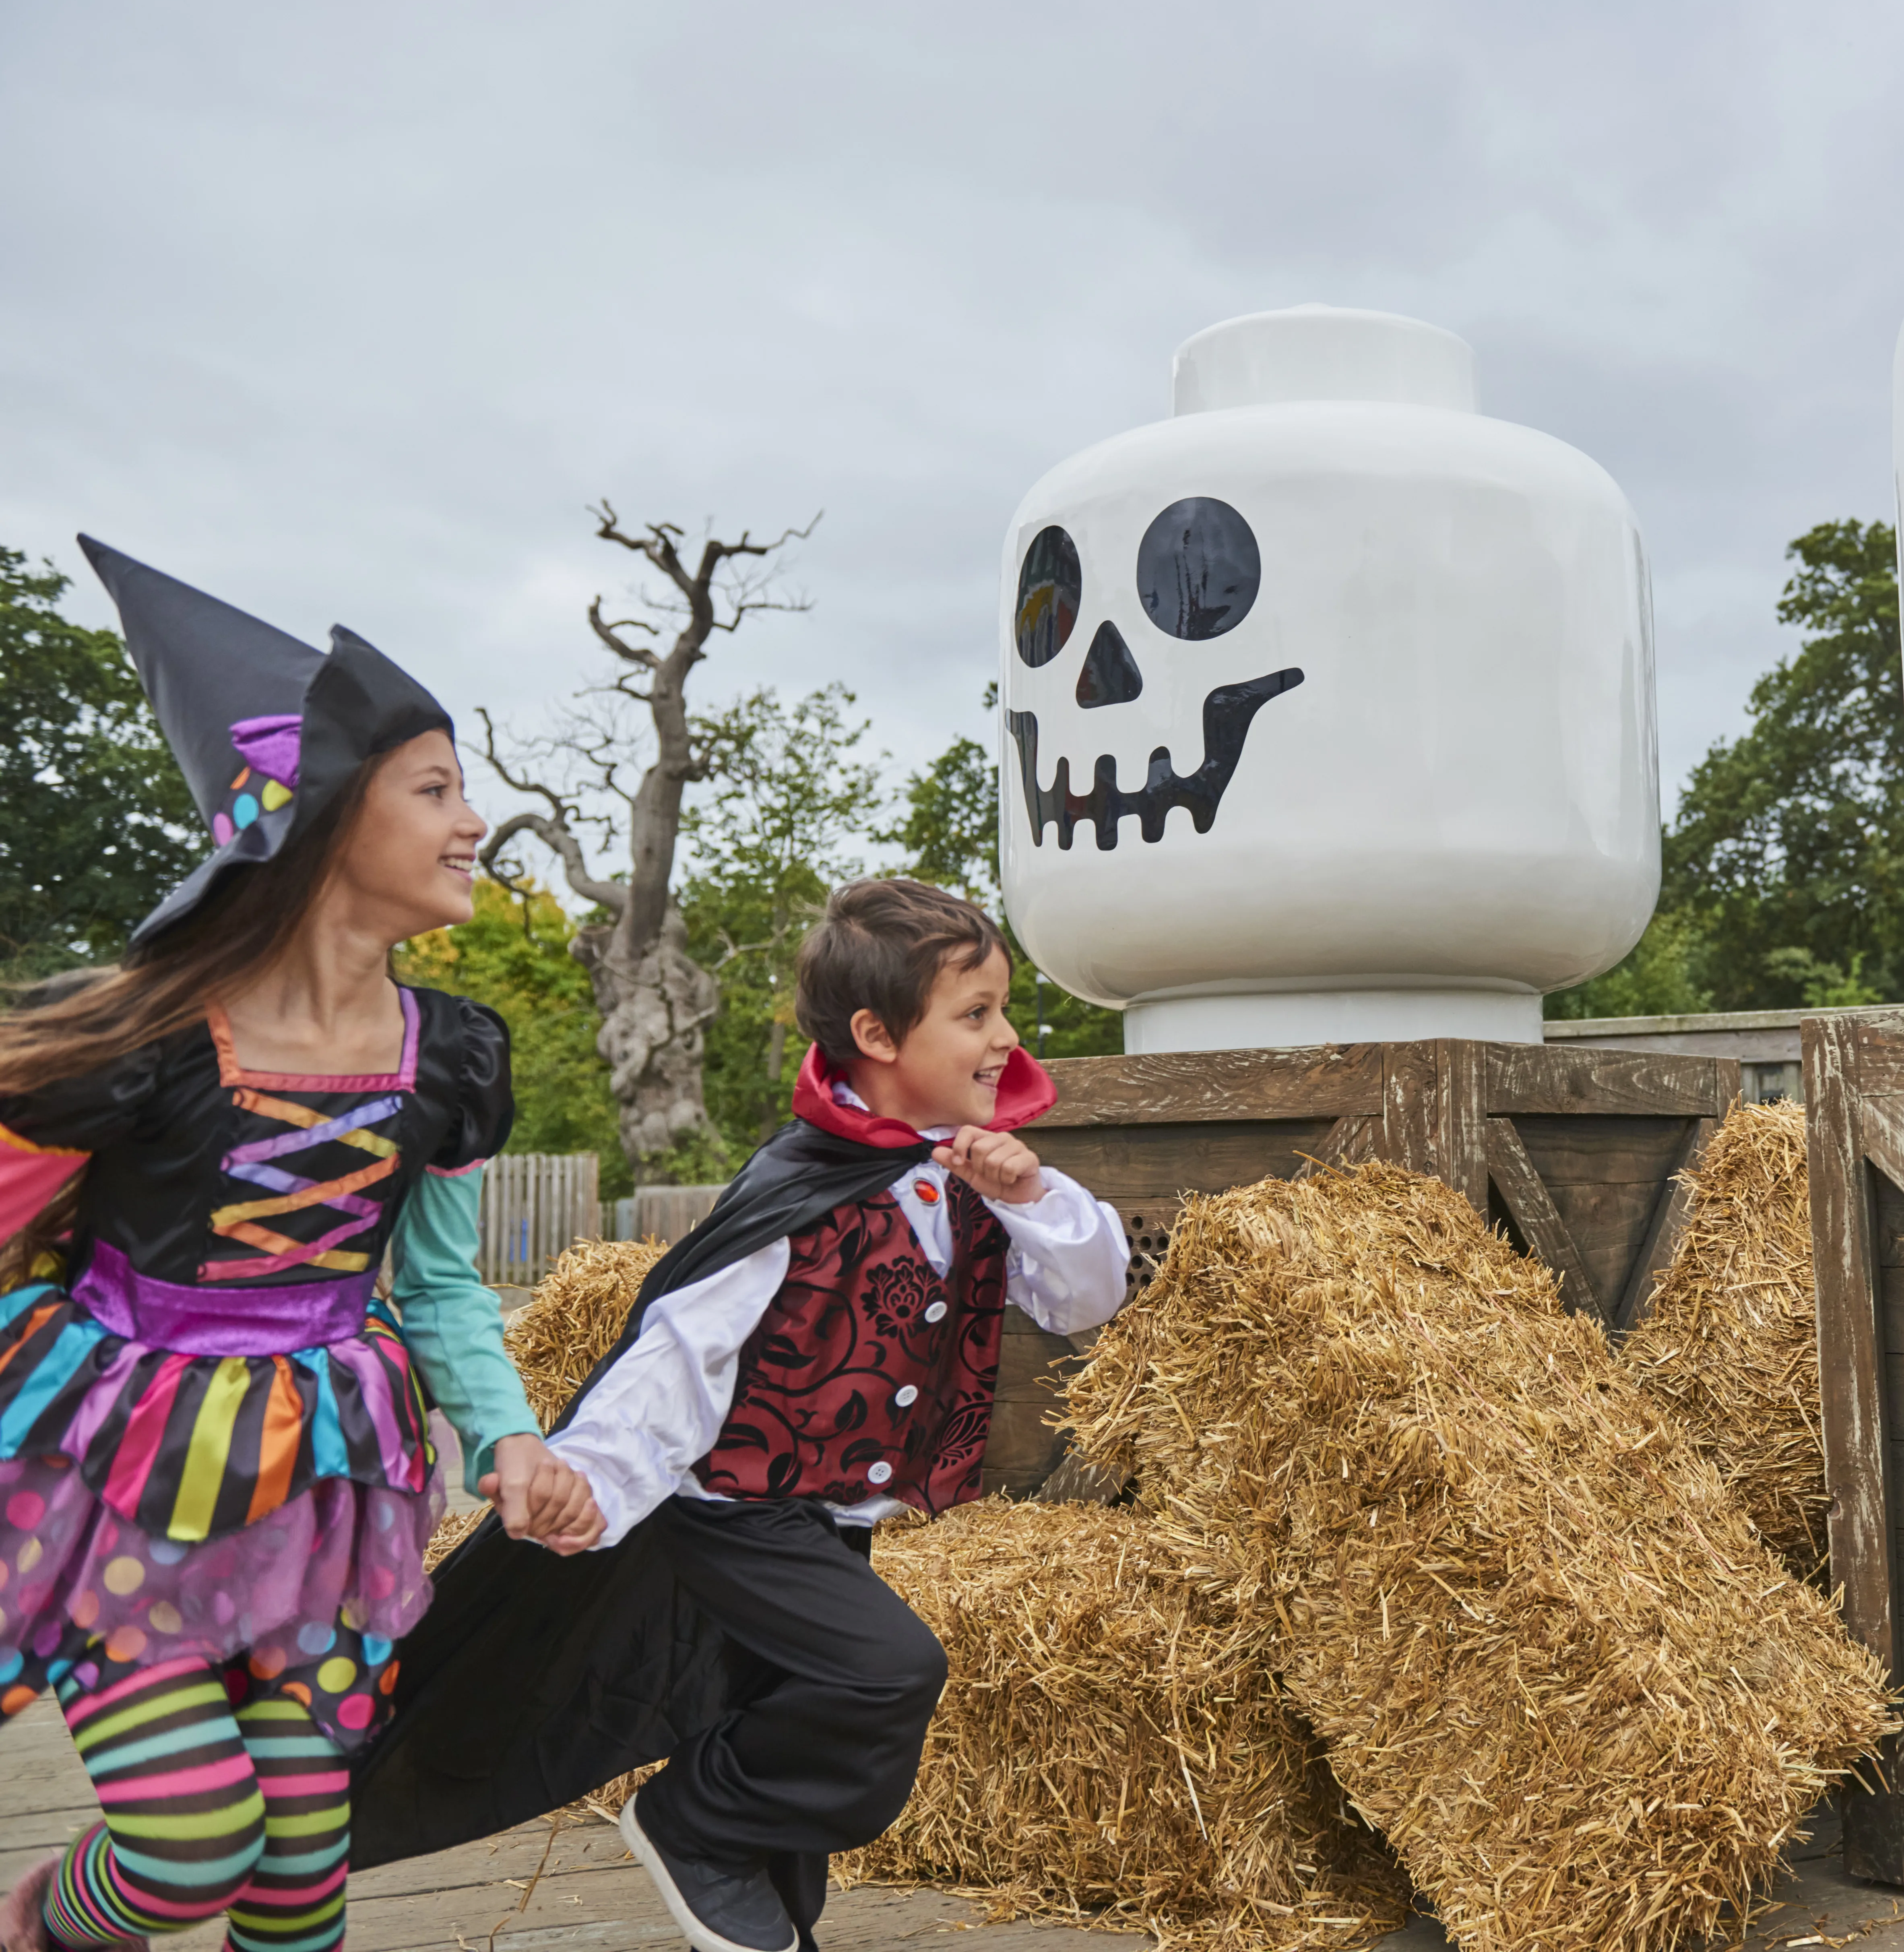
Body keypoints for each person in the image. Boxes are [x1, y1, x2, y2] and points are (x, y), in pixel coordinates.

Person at [0, 541, 601, 1952]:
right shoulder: (136, 1044)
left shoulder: (449, 1056)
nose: (473, 823)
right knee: (190, 1844)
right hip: (126, 1480)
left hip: (330, 1479)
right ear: (327, 818)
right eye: (437, 788)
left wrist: (509, 1437)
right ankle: (43, 1924)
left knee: (300, 1848)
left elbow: (441, 1279)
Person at [353, 877, 1130, 1952]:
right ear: (876, 1035)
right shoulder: (795, 1190)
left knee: (792, 1741)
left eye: (1003, 1009)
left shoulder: (973, 1172)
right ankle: (692, 1820)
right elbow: (677, 1353)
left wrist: (1033, 1194)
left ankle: (766, 1904)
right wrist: (587, 1472)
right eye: (975, 1013)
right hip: (732, 1510)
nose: (1006, 1038)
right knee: (888, 1672)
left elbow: (1088, 1298)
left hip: (832, 1519)